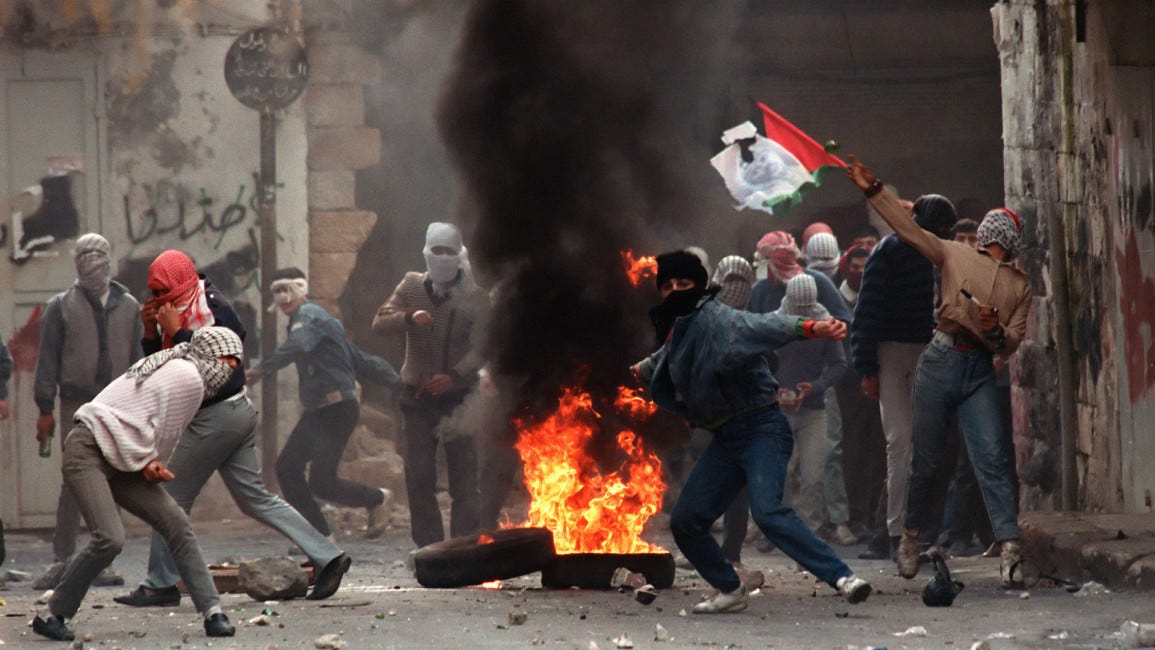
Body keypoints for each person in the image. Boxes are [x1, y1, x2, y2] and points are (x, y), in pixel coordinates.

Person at [634, 251, 871, 614]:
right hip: (727, 438)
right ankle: (730, 589)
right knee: (685, 521)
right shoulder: (679, 330)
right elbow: (658, 364)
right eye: (668, 286)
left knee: (768, 511)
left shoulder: (722, 319)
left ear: (700, 286)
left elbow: (766, 326)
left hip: (762, 428)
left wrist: (813, 328)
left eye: (684, 283)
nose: (676, 291)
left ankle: (843, 577)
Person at [115, 254, 352, 609]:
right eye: (154, 292)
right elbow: (160, 365)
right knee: (254, 498)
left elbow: (223, 355)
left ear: (182, 282)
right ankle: (328, 557)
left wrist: (178, 332)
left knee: (169, 499)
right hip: (227, 414)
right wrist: (151, 332)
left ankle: (160, 584)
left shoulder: (212, 306)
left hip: (219, 413)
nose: (159, 298)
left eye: (164, 291)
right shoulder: (178, 309)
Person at [847, 156, 1032, 586]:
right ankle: (910, 537)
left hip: (976, 368)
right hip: (941, 360)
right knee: (926, 458)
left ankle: (1009, 547)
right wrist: (874, 191)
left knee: (988, 459)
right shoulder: (955, 255)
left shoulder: (1017, 286)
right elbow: (906, 228)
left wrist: (994, 329)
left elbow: (1010, 340)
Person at [31, 327, 243, 642]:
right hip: (90, 448)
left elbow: (144, 419)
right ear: (209, 354)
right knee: (109, 538)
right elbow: (163, 431)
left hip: (124, 453)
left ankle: (214, 613)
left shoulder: (179, 368)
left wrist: (147, 461)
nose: (231, 368)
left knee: (176, 522)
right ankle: (51, 614)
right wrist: (150, 462)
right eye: (228, 359)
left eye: (237, 363)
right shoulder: (190, 377)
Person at [248, 267, 398, 542]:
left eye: (287, 289)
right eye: (277, 291)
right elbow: (359, 359)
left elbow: (299, 344)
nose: (283, 297)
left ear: (301, 289)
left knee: (310, 477)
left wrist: (259, 370)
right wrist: (397, 382)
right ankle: (360, 509)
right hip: (321, 410)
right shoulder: (320, 321)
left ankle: (329, 531)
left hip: (336, 409)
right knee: (295, 471)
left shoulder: (309, 317)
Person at [849, 191, 957, 560]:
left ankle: (917, 530)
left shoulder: (939, 254)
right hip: (892, 351)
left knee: (926, 445)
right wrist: (867, 367)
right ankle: (898, 531)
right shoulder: (889, 252)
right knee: (899, 443)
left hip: (927, 349)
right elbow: (867, 312)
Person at [32, 234, 142, 590]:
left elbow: (139, 360)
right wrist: (45, 408)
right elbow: (47, 361)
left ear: (109, 258)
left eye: (98, 254)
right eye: (85, 255)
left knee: (112, 475)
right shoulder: (60, 306)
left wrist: (139, 405)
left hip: (117, 402)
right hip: (75, 404)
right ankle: (63, 558)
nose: (92, 261)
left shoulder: (129, 306)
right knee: (74, 478)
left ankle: (103, 557)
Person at [372, 222, 489, 547]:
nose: (442, 257)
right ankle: (430, 549)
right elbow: (380, 321)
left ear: (460, 255)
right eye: (436, 250)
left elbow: (485, 346)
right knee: (419, 476)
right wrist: (408, 317)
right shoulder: (411, 285)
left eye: (449, 251)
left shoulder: (475, 297)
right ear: (426, 251)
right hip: (417, 398)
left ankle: (464, 548)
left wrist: (455, 375)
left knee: (464, 480)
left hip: (459, 399)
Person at [774, 274, 854, 545]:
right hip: (780, 410)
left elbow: (839, 364)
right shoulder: (776, 323)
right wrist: (774, 388)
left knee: (813, 477)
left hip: (814, 409)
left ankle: (810, 535)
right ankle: (781, 529)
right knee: (781, 473)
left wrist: (816, 386)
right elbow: (760, 360)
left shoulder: (826, 324)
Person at [748, 231, 851, 323]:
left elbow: (843, 322)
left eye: (765, 259)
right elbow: (748, 327)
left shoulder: (818, 281)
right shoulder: (759, 290)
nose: (759, 265)